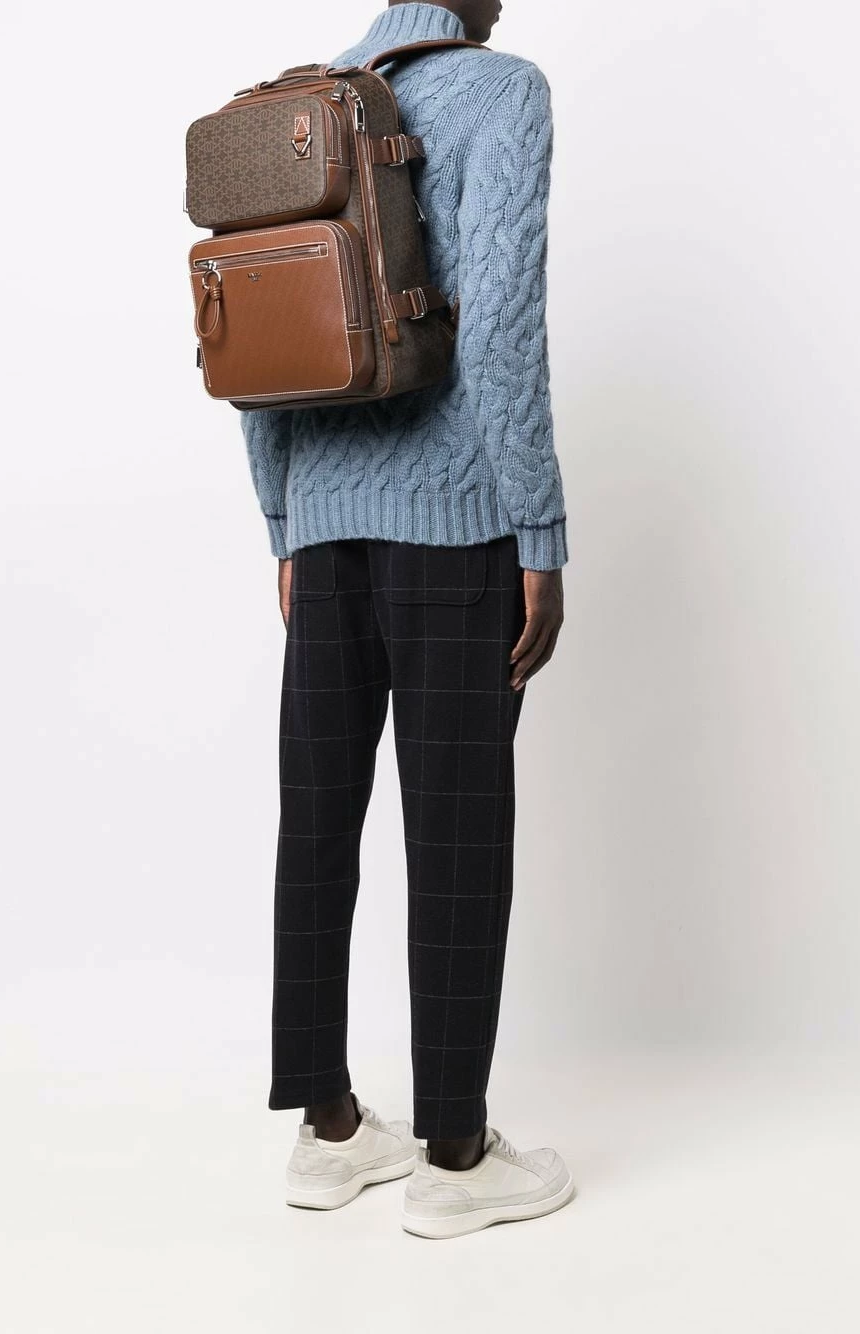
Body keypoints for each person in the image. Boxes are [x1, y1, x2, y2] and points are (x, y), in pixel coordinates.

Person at [241, 0, 572, 1239]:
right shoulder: (504, 89)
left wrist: (284, 520)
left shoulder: (296, 99)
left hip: (323, 532)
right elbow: (501, 323)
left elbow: (259, 334)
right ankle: (455, 1155)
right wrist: (538, 528)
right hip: (457, 528)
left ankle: (327, 1128)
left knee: (316, 824)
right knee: (457, 832)